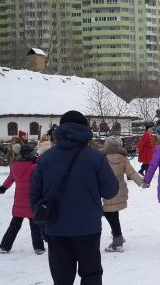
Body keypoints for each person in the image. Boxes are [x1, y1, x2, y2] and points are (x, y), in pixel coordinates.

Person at [30, 110, 119, 285]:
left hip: (55, 227)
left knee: (62, 278)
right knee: (91, 274)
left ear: (60, 130)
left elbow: (34, 195)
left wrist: (43, 217)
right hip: (88, 227)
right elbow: (110, 190)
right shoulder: (95, 157)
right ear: (85, 129)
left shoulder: (46, 158)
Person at [0, 145, 45, 254]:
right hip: (32, 201)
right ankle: (38, 247)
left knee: (14, 226)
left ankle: (5, 246)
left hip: (19, 202)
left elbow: (10, 179)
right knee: (35, 226)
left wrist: (3, 188)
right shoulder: (34, 168)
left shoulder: (14, 166)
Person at [100, 136, 144, 252]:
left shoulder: (102, 158)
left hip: (107, 189)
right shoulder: (123, 158)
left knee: (109, 213)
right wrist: (141, 182)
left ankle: (117, 239)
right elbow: (132, 172)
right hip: (119, 189)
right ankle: (117, 235)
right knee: (113, 213)